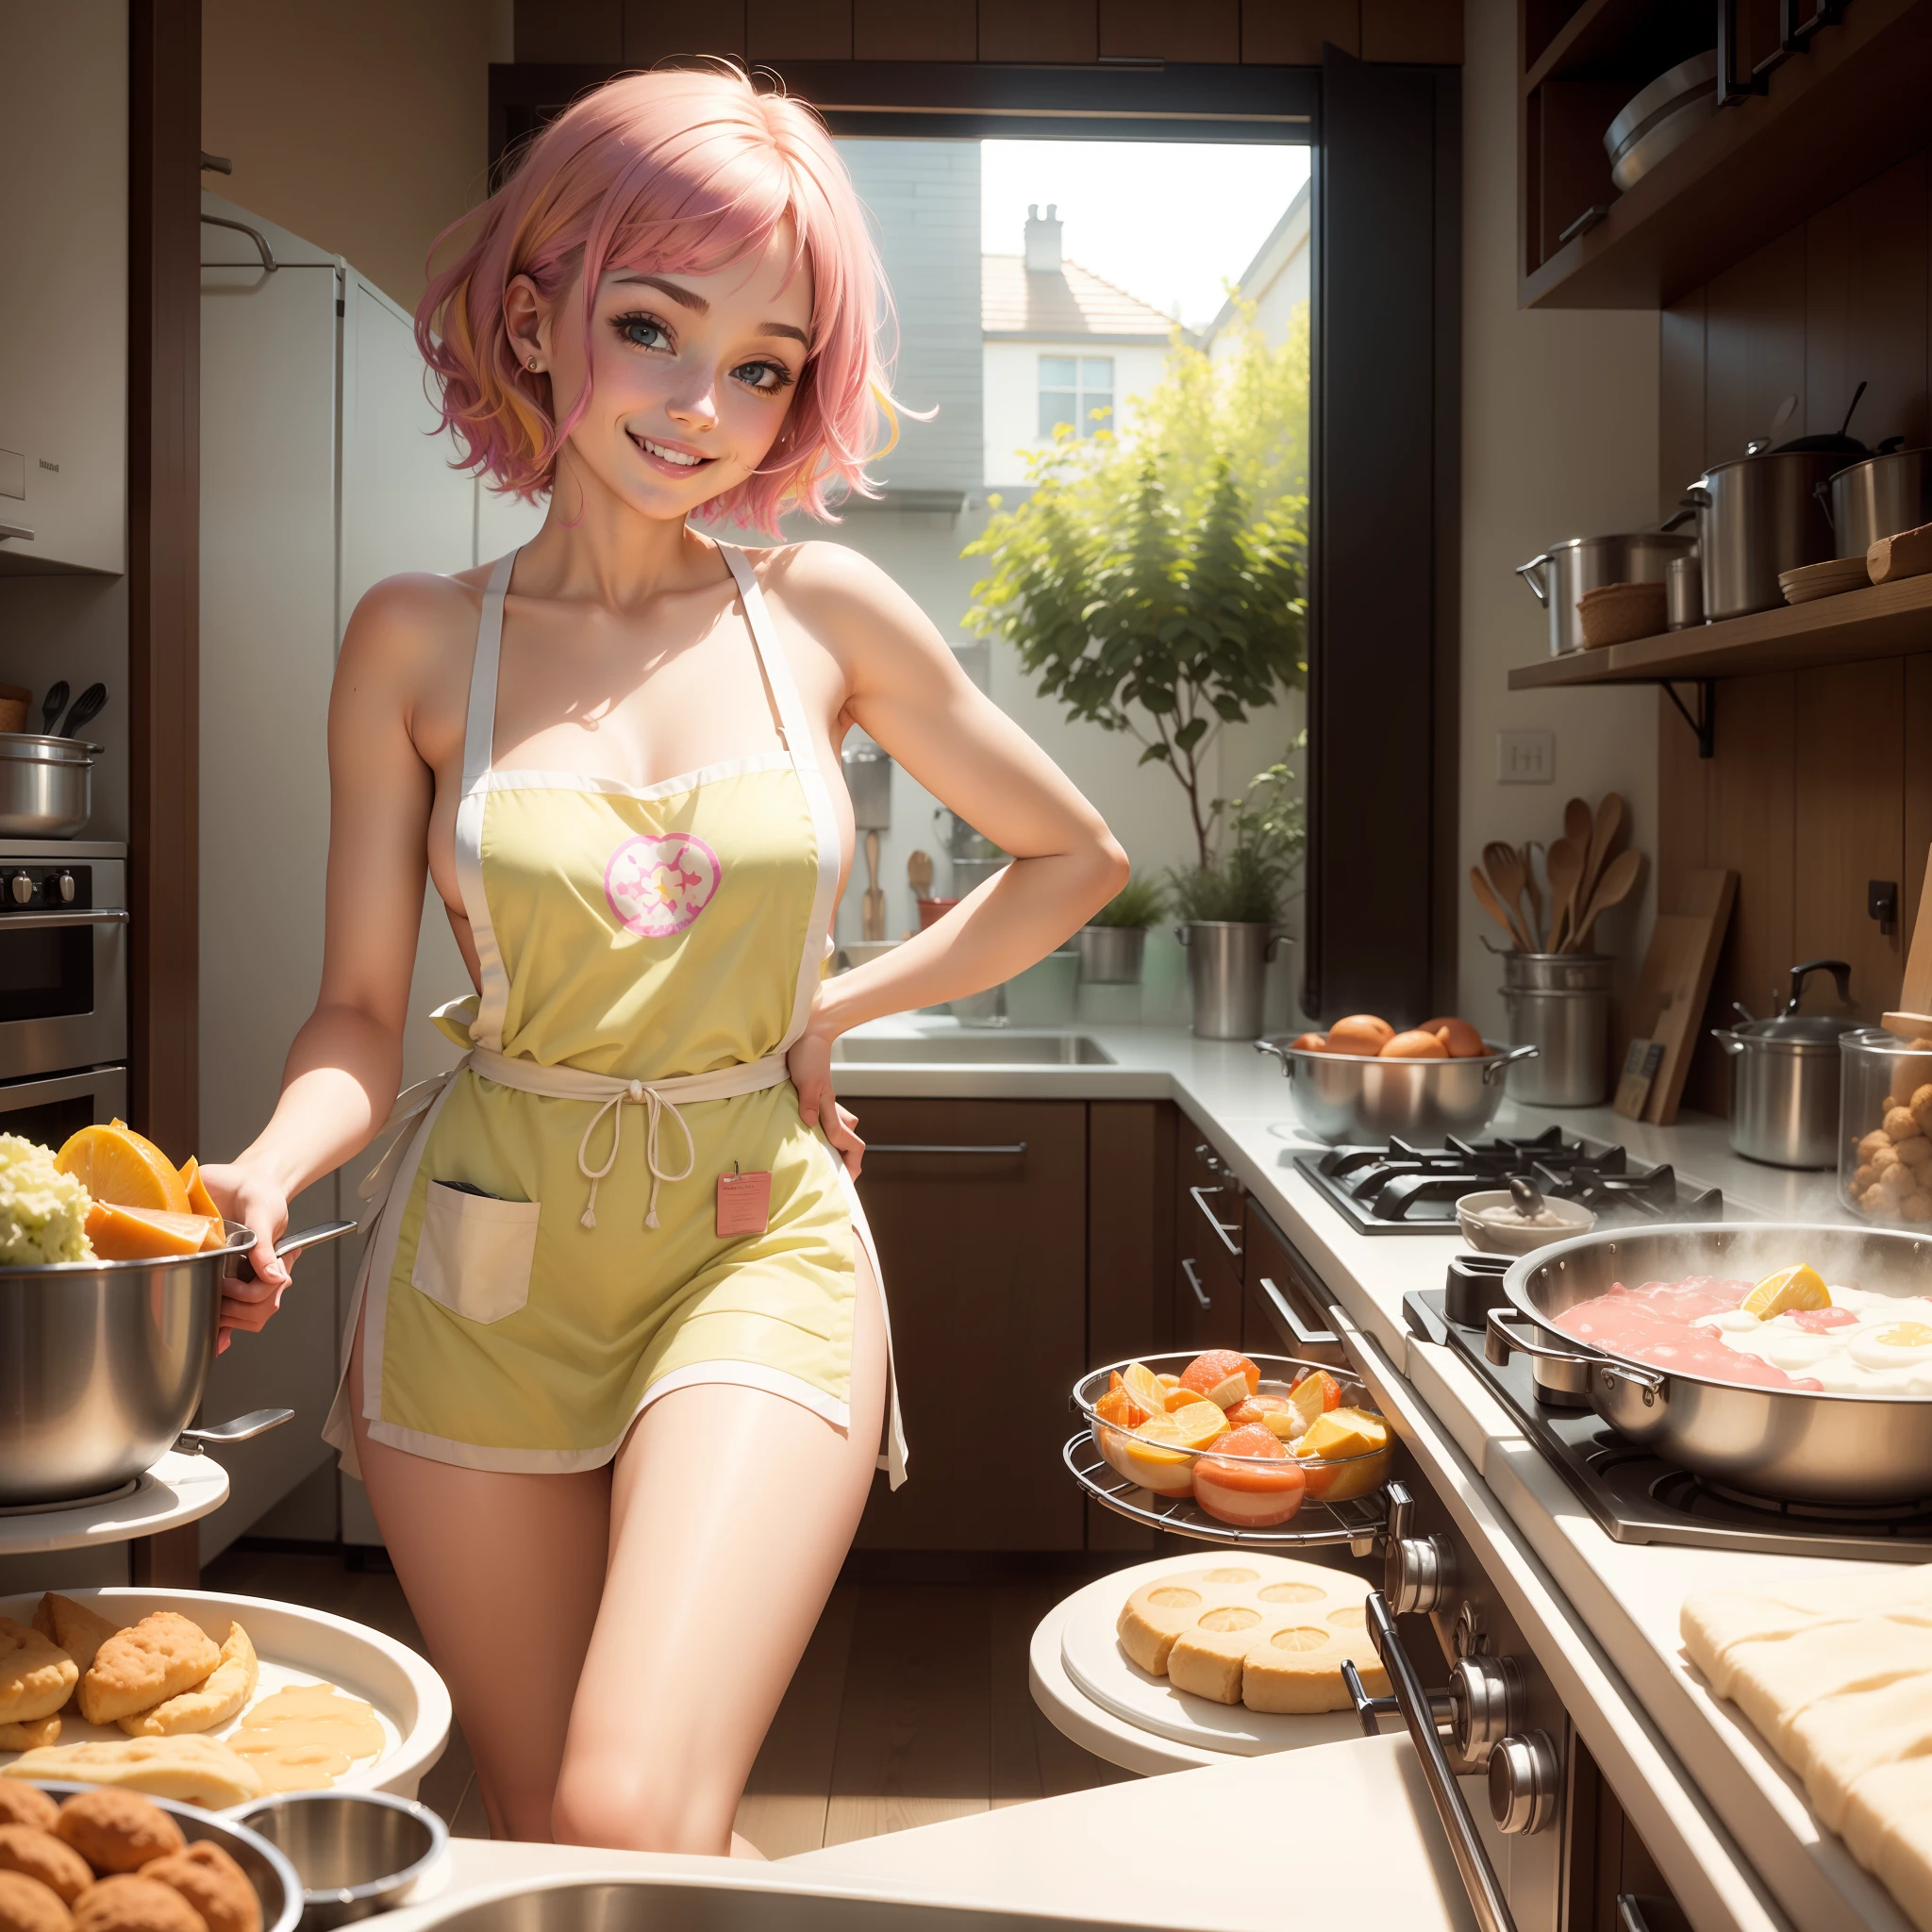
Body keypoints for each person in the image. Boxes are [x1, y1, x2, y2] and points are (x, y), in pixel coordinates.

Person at [202, 66, 1126, 1857]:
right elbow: (363, 1011)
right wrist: (266, 1162)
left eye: (764, 362)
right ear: (537, 321)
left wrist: (825, 1007)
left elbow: (1071, 856)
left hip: (751, 1236)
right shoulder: (413, 639)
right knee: (558, 1832)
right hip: (479, 1256)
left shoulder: (825, 616)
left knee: (632, 1803)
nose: (704, 405)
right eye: (653, 327)